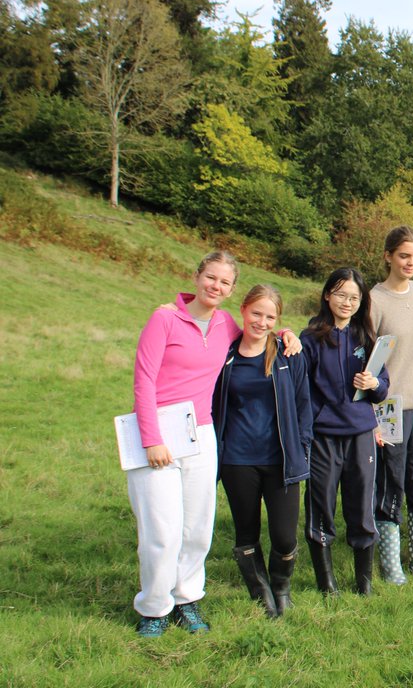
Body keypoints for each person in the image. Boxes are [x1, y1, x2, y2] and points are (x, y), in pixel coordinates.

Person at [128, 251, 301, 637]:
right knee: (161, 529)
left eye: (224, 282)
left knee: (196, 528)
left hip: (201, 434)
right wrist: (151, 438)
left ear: (231, 290)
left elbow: (260, 330)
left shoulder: (225, 324)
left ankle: (187, 600)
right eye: (211, 277)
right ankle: (154, 608)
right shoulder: (164, 318)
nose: (215, 286)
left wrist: (287, 334)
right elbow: (144, 380)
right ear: (196, 276)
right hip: (158, 432)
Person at [212, 285, 313, 616]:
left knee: (284, 537)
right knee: (246, 532)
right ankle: (261, 594)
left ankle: (281, 587)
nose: (262, 322)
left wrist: (302, 447)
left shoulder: (287, 354)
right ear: (243, 309)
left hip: (281, 460)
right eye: (257, 313)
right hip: (237, 460)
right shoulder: (224, 355)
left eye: (271, 316)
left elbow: (302, 405)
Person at [302, 268, 389, 595]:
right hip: (323, 436)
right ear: (327, 295)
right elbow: (302, 391)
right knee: (321, 505)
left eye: (354, 297)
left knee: (361, 506)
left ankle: (363, 583)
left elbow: (383, 389)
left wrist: (374, 383)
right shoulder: (310, 339)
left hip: (360, 434)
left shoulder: (366, 338)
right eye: (340, 294)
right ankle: (327, 584)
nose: (347, 302)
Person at [369, 226, 413, 583]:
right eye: (403, 256)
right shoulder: (373, 300)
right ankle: (391, 563)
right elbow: (367, 360)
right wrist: (371, 409)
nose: (411, 263)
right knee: (390, 481)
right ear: (388, 257)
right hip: (389, 406)